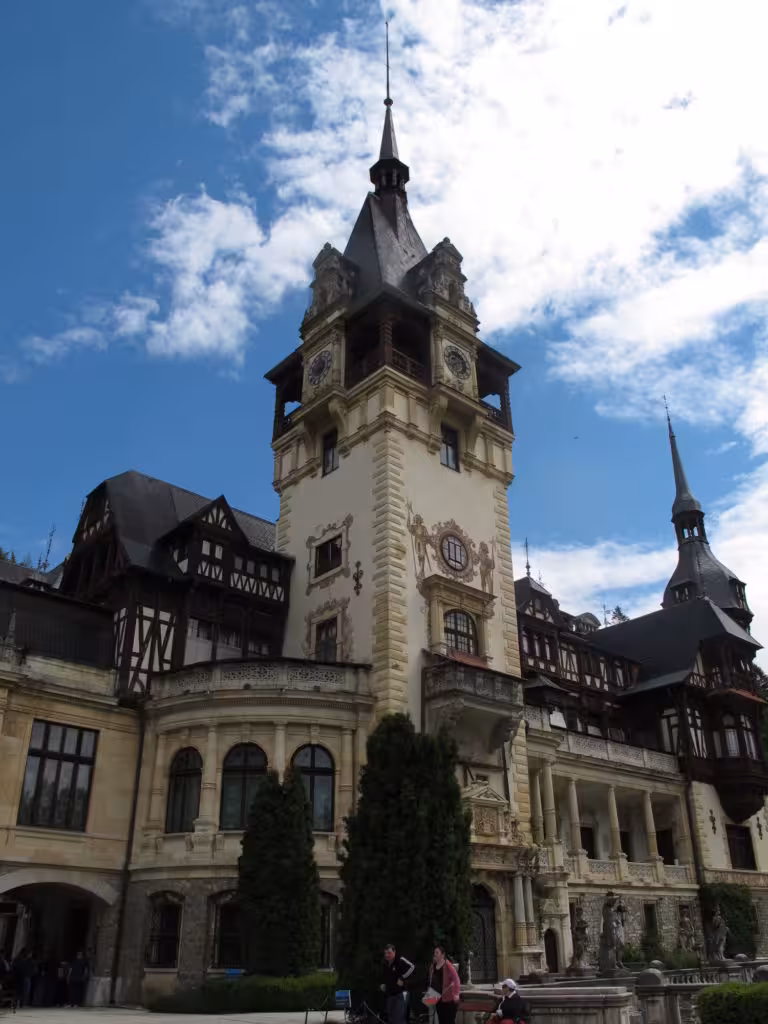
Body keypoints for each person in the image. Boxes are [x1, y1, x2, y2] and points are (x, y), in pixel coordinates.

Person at [381, 944, 415, 1024]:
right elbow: (384, 977)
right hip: (390, 995)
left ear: (394, 952)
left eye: (389, 953)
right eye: (385, 953)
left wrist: (402, 978)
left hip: (401, 994)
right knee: (391, 1019)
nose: (387, 955)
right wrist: (383, 984)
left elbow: (412, 967)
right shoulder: (385, 964)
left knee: (399, 1019)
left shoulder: (400, 959)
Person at [428, 946, 461, 1024]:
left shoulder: (448, 965)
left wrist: (456, 994)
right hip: (437, 998)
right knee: (441, 1020)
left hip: (448, 999)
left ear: (443, 955)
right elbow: (430, 980)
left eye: (437, 953)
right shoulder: (433, 966)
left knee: (449, 1021)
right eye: (434, 953)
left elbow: (456, 980)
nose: (435, 954)